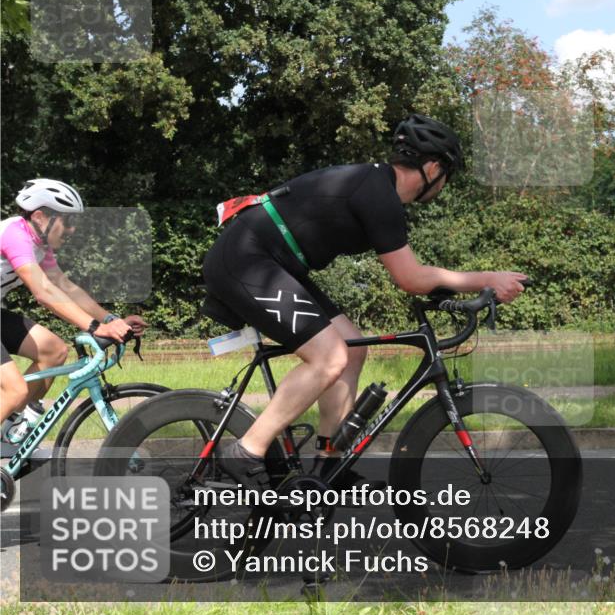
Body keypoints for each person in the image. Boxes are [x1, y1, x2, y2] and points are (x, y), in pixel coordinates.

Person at [202, 114, 527, 489]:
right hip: (246, 259)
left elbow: (415, 274)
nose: (444, 185)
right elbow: (411, 278)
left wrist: (451, 288)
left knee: (352, 351)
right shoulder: (378, 194)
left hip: (274, 263)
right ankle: (246, 450)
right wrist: (487, 280)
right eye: (447, 175)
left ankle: (328, 466)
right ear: (434, 168)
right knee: (330, 357)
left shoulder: (378, 188)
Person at [1, 179, 147, 454]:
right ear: (40, 217)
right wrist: (93, 327)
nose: (72, 229)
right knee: (15, 389)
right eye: (66, 221)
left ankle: (7, 431)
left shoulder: (38, 245)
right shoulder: (14, 234)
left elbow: (66, 287)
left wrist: (109, 320)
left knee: (53, 351)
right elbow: (43, 291)